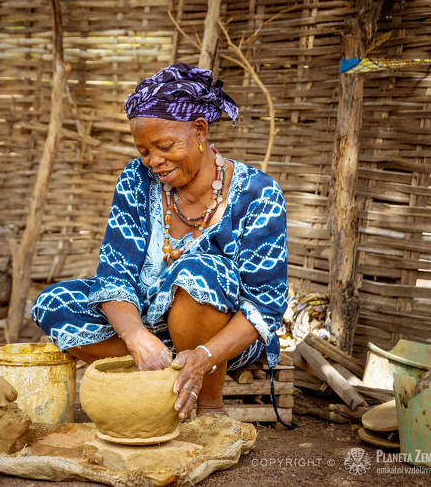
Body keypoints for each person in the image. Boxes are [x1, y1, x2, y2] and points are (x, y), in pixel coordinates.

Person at [32, 63, 288, 420]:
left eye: (165, 146)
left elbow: (266, 307)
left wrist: (204, 355)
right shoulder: (136, 180)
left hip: (220, 343)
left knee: (200, 271)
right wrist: (137, 337)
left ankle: (209, 406)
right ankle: (155, 381)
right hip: (149, 328)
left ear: (200, 130)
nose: (154, 162)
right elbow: (114, 275)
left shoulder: (259, 194)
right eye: (143, 151)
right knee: (53, 302)